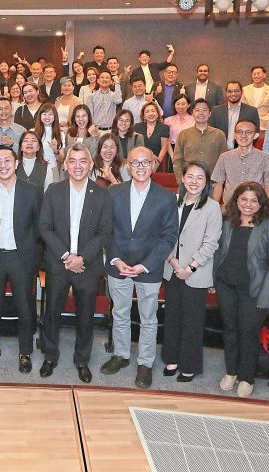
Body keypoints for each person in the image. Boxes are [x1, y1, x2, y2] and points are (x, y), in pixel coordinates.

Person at [99, 146, 178, 388]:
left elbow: (169, 236)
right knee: (120, 313)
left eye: (146, 162)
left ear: (154, 165)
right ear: (128, 166)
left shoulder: (166, 197)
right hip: (118, 265)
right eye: (136, 163)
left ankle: (145, 363)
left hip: (149, 269)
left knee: (148, 318)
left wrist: (145, 265)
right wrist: (115, 259)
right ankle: (121, 355)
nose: (141, 167)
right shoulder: (114, 193)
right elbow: (106, 230)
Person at [39, 142, 113, 383]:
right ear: (66, 164)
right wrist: (66, 257)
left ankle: (82, 359)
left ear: (91, 165)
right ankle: (50, 355)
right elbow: (45, 227)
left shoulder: (102, 193)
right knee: (52, 312)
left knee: (85, 315)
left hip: (87, 265)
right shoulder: (54, 190)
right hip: (58, 262)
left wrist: (81, 258)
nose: (78, 166)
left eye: (83, 161)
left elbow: (104, 232)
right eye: (73, 161)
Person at [213, 182, 269, 397]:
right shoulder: (227, 221)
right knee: (230, 329)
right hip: (226, 284)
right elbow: (219, 252)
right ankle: (231, 371)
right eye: (244, 199)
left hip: (254, 289)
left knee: (248, 332)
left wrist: (266, 297)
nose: (248, 204)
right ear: (236, 200)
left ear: (261, 203)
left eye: (254, 200)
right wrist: (213, 280)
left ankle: (246, 377)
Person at [0, 145, 42, 373]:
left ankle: (25, 351)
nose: (3, 165)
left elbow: (38, 226)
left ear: (16, 163)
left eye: (7, 161)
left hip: (22, 257)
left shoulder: (32, 191)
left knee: (24, 305)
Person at [161, 161, 222, 383]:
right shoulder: (172, 202)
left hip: (195, 273)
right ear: (183, 178)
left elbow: (211, 243)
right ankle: (171, 358)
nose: (194, 181)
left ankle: (189, 364)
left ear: (206, 182)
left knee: (192, 321)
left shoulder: (213, 207)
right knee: (173, 316)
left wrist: (190, 267)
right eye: (190, 176)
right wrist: (173, 261)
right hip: (172, 268)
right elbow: (164, 234)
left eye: (199, 178)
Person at [210, 119, 269, 204]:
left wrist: (265, 211)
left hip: (254, 209)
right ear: (234, 135)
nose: (243, 135)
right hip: (229, 208)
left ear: (256, 135)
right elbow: (218, 185)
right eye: (239, 132)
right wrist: (215, 208)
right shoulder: (224, 157)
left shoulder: (265, 158)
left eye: (248, 132)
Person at [173, 99, 227, 181]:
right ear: (192, 113)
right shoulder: (183, 135)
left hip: (212, 181)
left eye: (204, 110)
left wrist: (219, 183)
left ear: (210, 113)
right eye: (197, 110)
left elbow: (223, 161)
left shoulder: (219, 135)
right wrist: (181, 181)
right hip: (189, 181)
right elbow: (177, 160)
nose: (201, 113)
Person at [209, 82, 261, 150]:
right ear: (226, 93)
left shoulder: (251, 111)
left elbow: (256, 133)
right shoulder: (216, 110)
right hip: (220, 152)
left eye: (236, 91)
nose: (233, 94)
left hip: (242, 152)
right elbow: (211, 132)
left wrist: (246, 148)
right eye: (230, 91)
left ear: (242, 92)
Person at [136, 102, 171, 171]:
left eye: (153, 111)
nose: (150, 114)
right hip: (140, 163)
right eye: (147, 112)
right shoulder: (137, 127)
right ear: (143, 116)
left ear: (157, 114)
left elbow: (164, 148)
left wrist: (156, 164)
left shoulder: (164, 128)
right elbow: (136, 146)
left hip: (157, 163)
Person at [243, 66, 269, 131]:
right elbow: (242, 108)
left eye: (258, 73)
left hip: (265, 126)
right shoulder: (244, 90)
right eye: (254, 74)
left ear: (264, 75)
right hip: (248, 124)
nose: (256, 76)